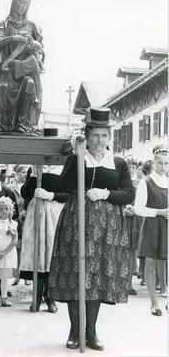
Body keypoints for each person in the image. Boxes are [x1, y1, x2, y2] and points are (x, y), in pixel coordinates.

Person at [49, 107, 134, 351]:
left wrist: (106, 193)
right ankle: (75, 332)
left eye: (104, 136)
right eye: (95, 135)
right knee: (76, 274)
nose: (99, 140)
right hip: (76, 222)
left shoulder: (118, 162)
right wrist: (76, 157)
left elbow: (128, 194)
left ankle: (91, 333)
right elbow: (65, 185)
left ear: (110, 138)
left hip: (107, 229)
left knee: (96, 277)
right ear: (87, 136)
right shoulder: (77, 158)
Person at [0, 0, 44, 134]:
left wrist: (34, 49)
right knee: (4, 86)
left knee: (29, 85)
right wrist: (13, 38)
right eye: (21, 2)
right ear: (14, 2)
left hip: (26, 70)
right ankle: (4, 124)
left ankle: (23, 124)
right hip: (8, 70)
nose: (23, 6)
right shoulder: (5, 24)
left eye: (26, 3)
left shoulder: (32, 25)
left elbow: (41, 50)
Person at [20, 166, 69, 313]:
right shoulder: (35, 167)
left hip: (55, 212)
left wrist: (51, 195)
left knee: (51, 256)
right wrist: (34, 178)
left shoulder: (63, 168)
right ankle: (36, 298)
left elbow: (69, 194)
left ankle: (50, 299)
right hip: (36, 215)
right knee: (37, 255)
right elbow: (25, 193)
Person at [135, 145, 168, 316]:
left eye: (166, 163)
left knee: (166, 263)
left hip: (167, 226)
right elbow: (138, 209)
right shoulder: (145, 182)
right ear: (154, 162)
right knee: (150, 264)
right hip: (152, 226)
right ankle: (154, 302)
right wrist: (159, 212)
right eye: (160, 163)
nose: (163, 167)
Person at [7, 164, 31, 286]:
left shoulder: (30, 186)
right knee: (17, 248)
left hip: (28, 218)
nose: (25, 174)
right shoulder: (10, 188)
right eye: (22, 172)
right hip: (16, 220)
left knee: (27, 249)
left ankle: (26, 276)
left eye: (27, 172)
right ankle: (17, 275)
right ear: (16, 173)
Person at [124, 157, 143, 295]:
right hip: (122, 217)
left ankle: (129, 283)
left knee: (132, 252)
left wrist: (135, 208)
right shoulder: (121, 181)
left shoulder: (140, 183)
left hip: (134, 220)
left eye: (133, 167)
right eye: (129, 166)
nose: (131, 169)